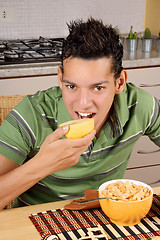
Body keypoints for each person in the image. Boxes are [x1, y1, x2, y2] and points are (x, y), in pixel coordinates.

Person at [0, 18, 159, 209]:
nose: (83, 104)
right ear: (60, 78)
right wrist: (42, 165)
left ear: (120, 82)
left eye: (98, 88)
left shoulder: (139, 105)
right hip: (36, 225)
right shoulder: (31, 114)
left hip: (104, 220)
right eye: (72, 86)